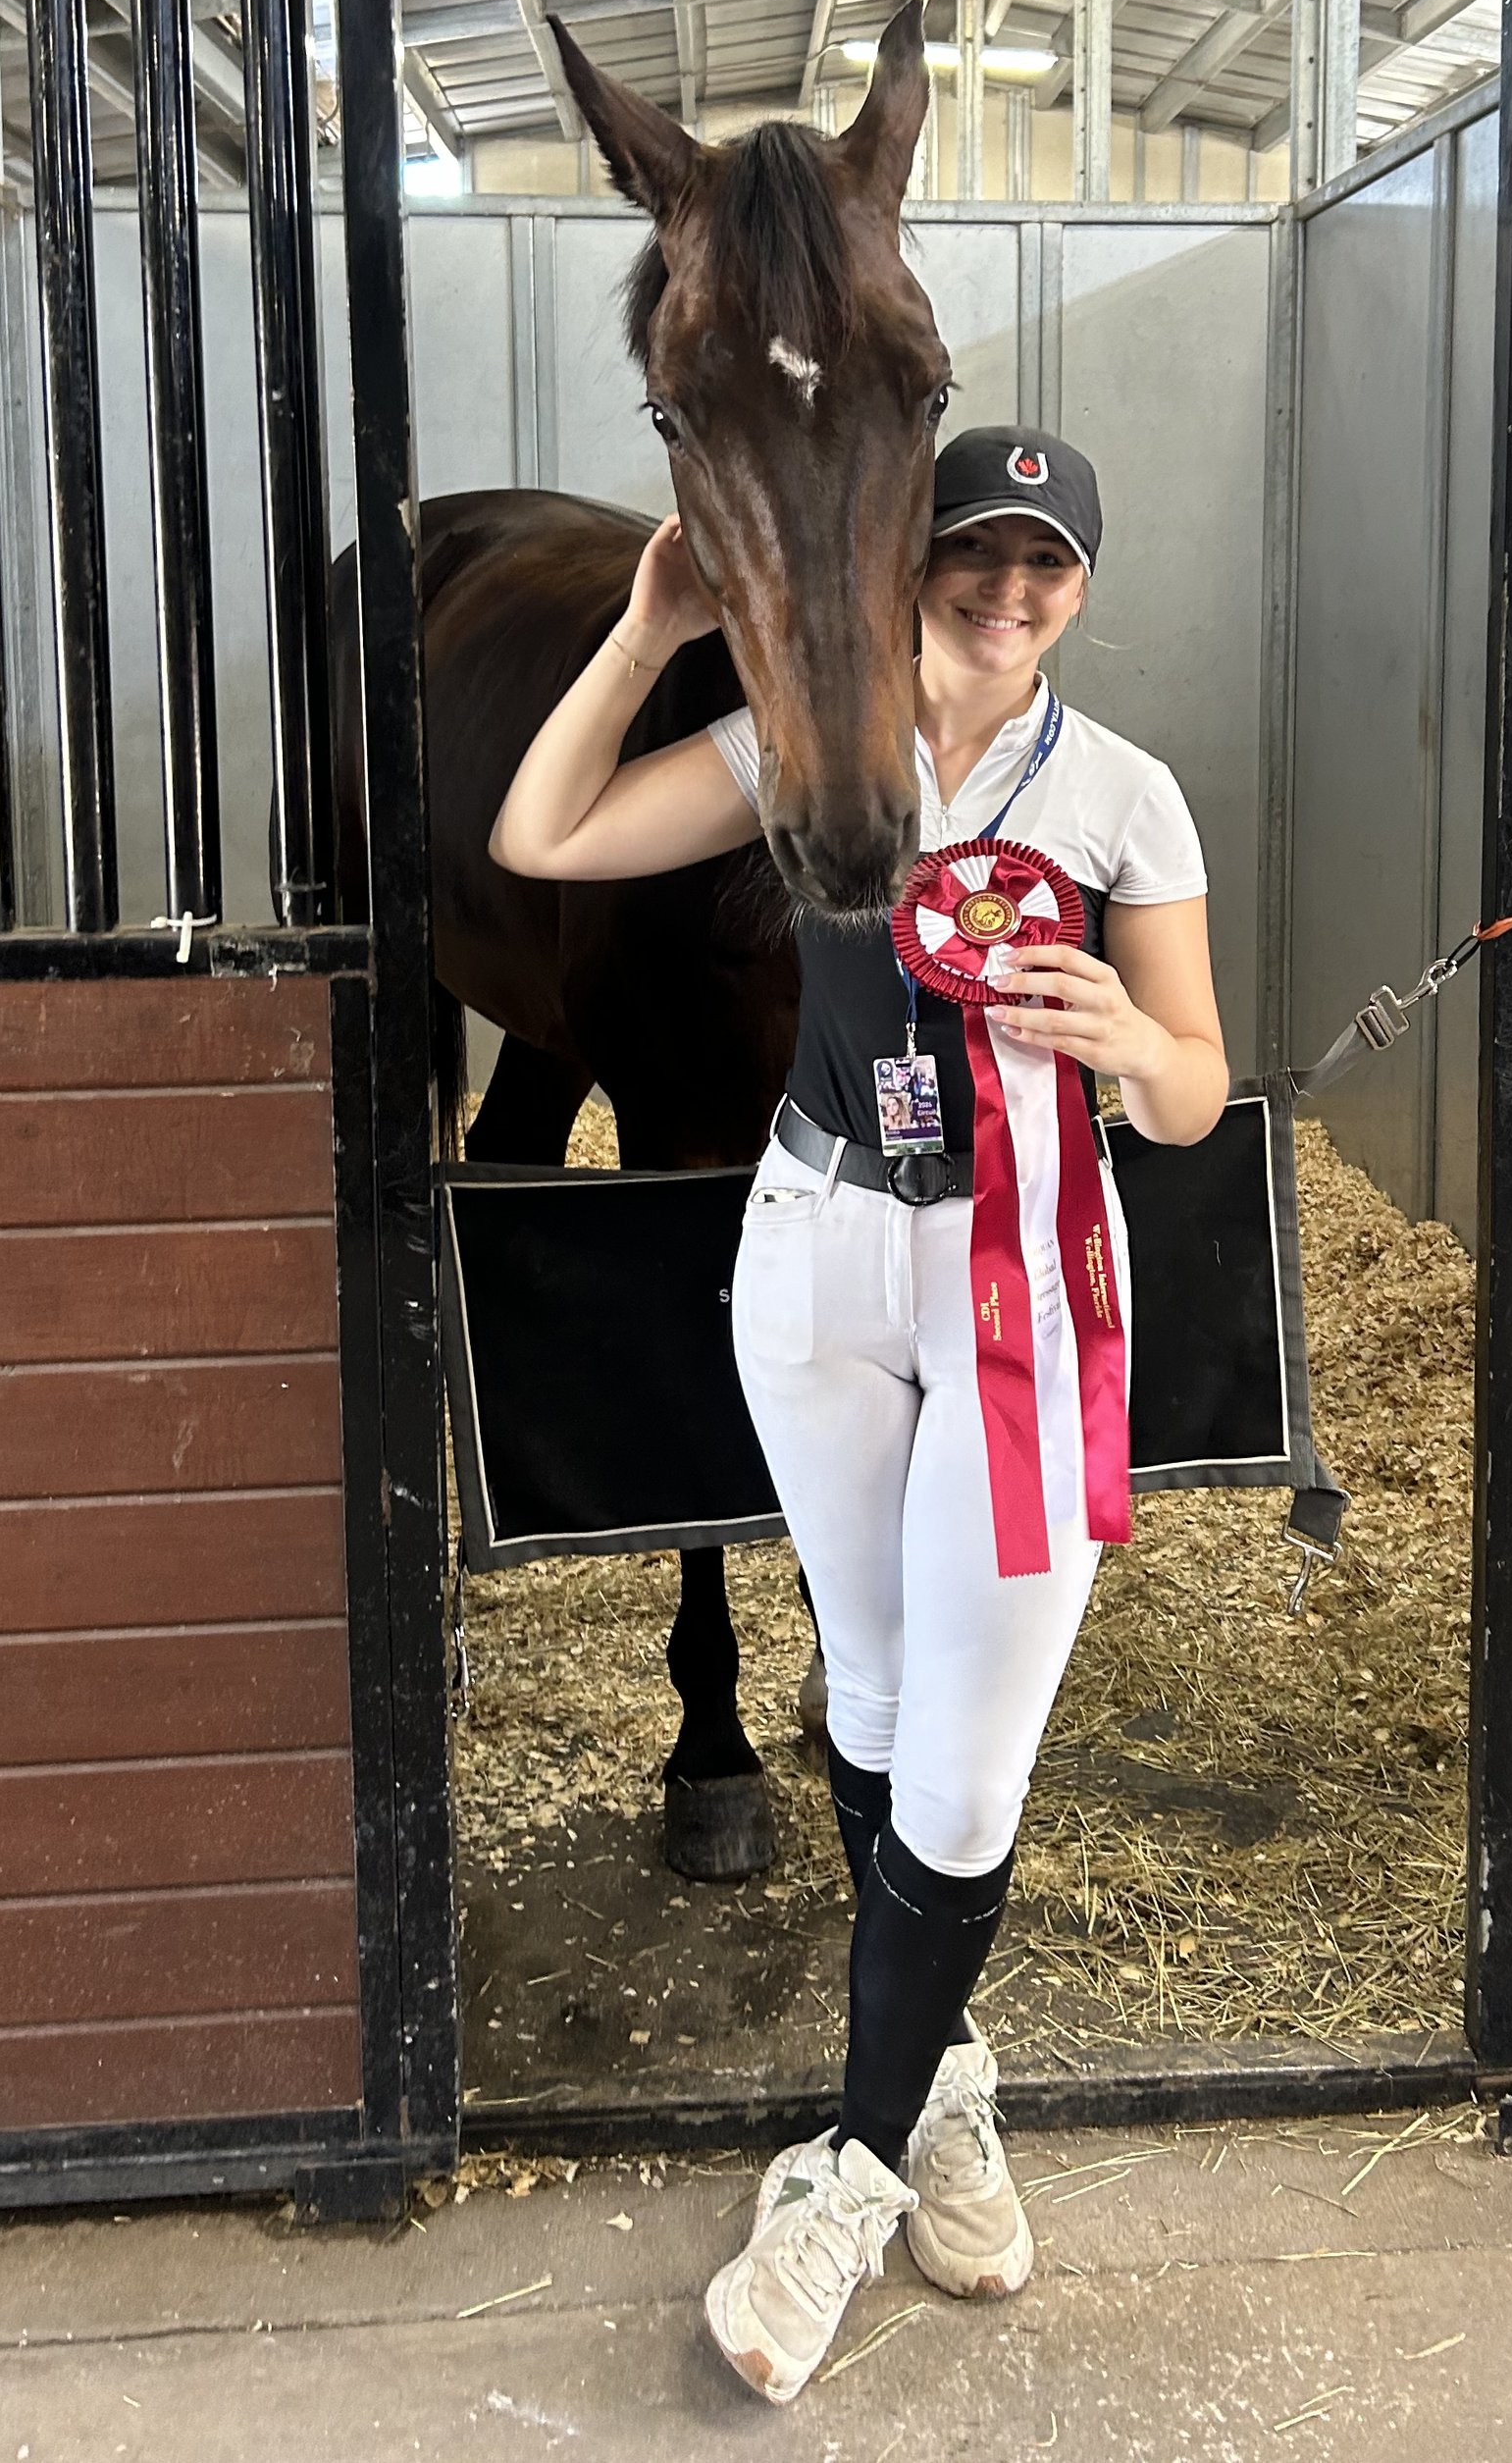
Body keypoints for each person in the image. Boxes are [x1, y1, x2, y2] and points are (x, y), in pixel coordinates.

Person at [489, 425, 1226, 2402]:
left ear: (1082, 580)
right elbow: (542, 836)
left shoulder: (1124, 794)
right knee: (876, 1699)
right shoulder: (808, 750)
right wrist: (646, 629)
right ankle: (948, 2078)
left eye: (1043, 566)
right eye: (970, 557)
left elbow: (1188, 1083)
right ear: (907, 564)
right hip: (816, 1262)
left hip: (1024, 1273)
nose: (1003, 593)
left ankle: (847, 2157)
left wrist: (1129, 1037)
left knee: (967, 1778)